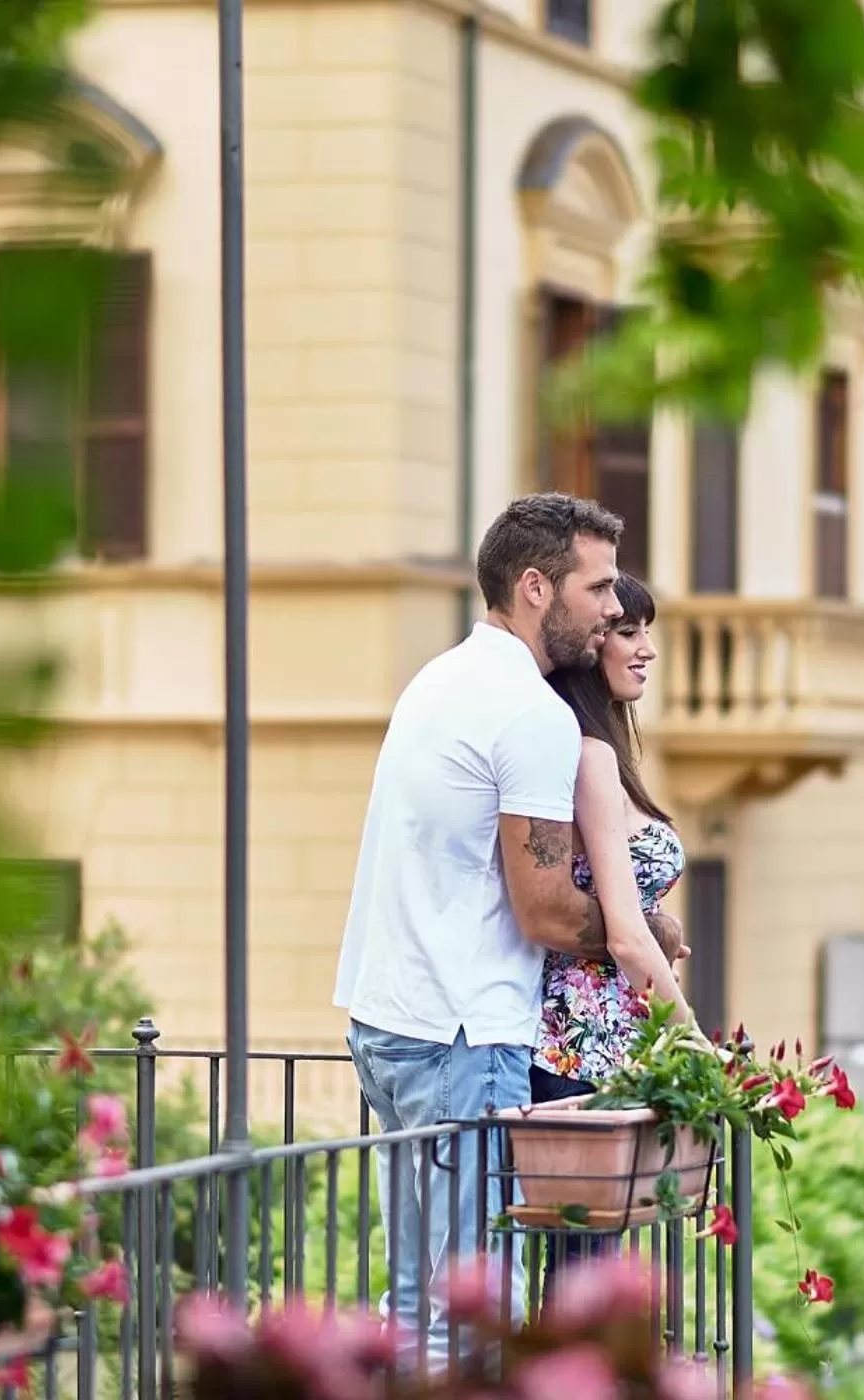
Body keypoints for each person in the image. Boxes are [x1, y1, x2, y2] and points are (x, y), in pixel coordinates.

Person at [332, 494, 682, 1365]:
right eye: (597, 588)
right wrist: (643, 931)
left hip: (386, 1017)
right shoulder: (531, 715)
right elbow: (546, 910)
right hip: (462, 1031)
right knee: (467, 1305)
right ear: (536, 587)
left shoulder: (439, 679)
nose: (612, 610)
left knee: (417, 1298)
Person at [533, 572, 695, 1105]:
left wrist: (659, 936)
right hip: (579, 1053)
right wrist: (692, 1040)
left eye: (647, 630)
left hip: (610, 1049)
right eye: (628, 632)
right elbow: (623, 937)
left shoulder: (604, 754)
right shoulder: (589, 756)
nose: (647, 649)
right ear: (594, 641)